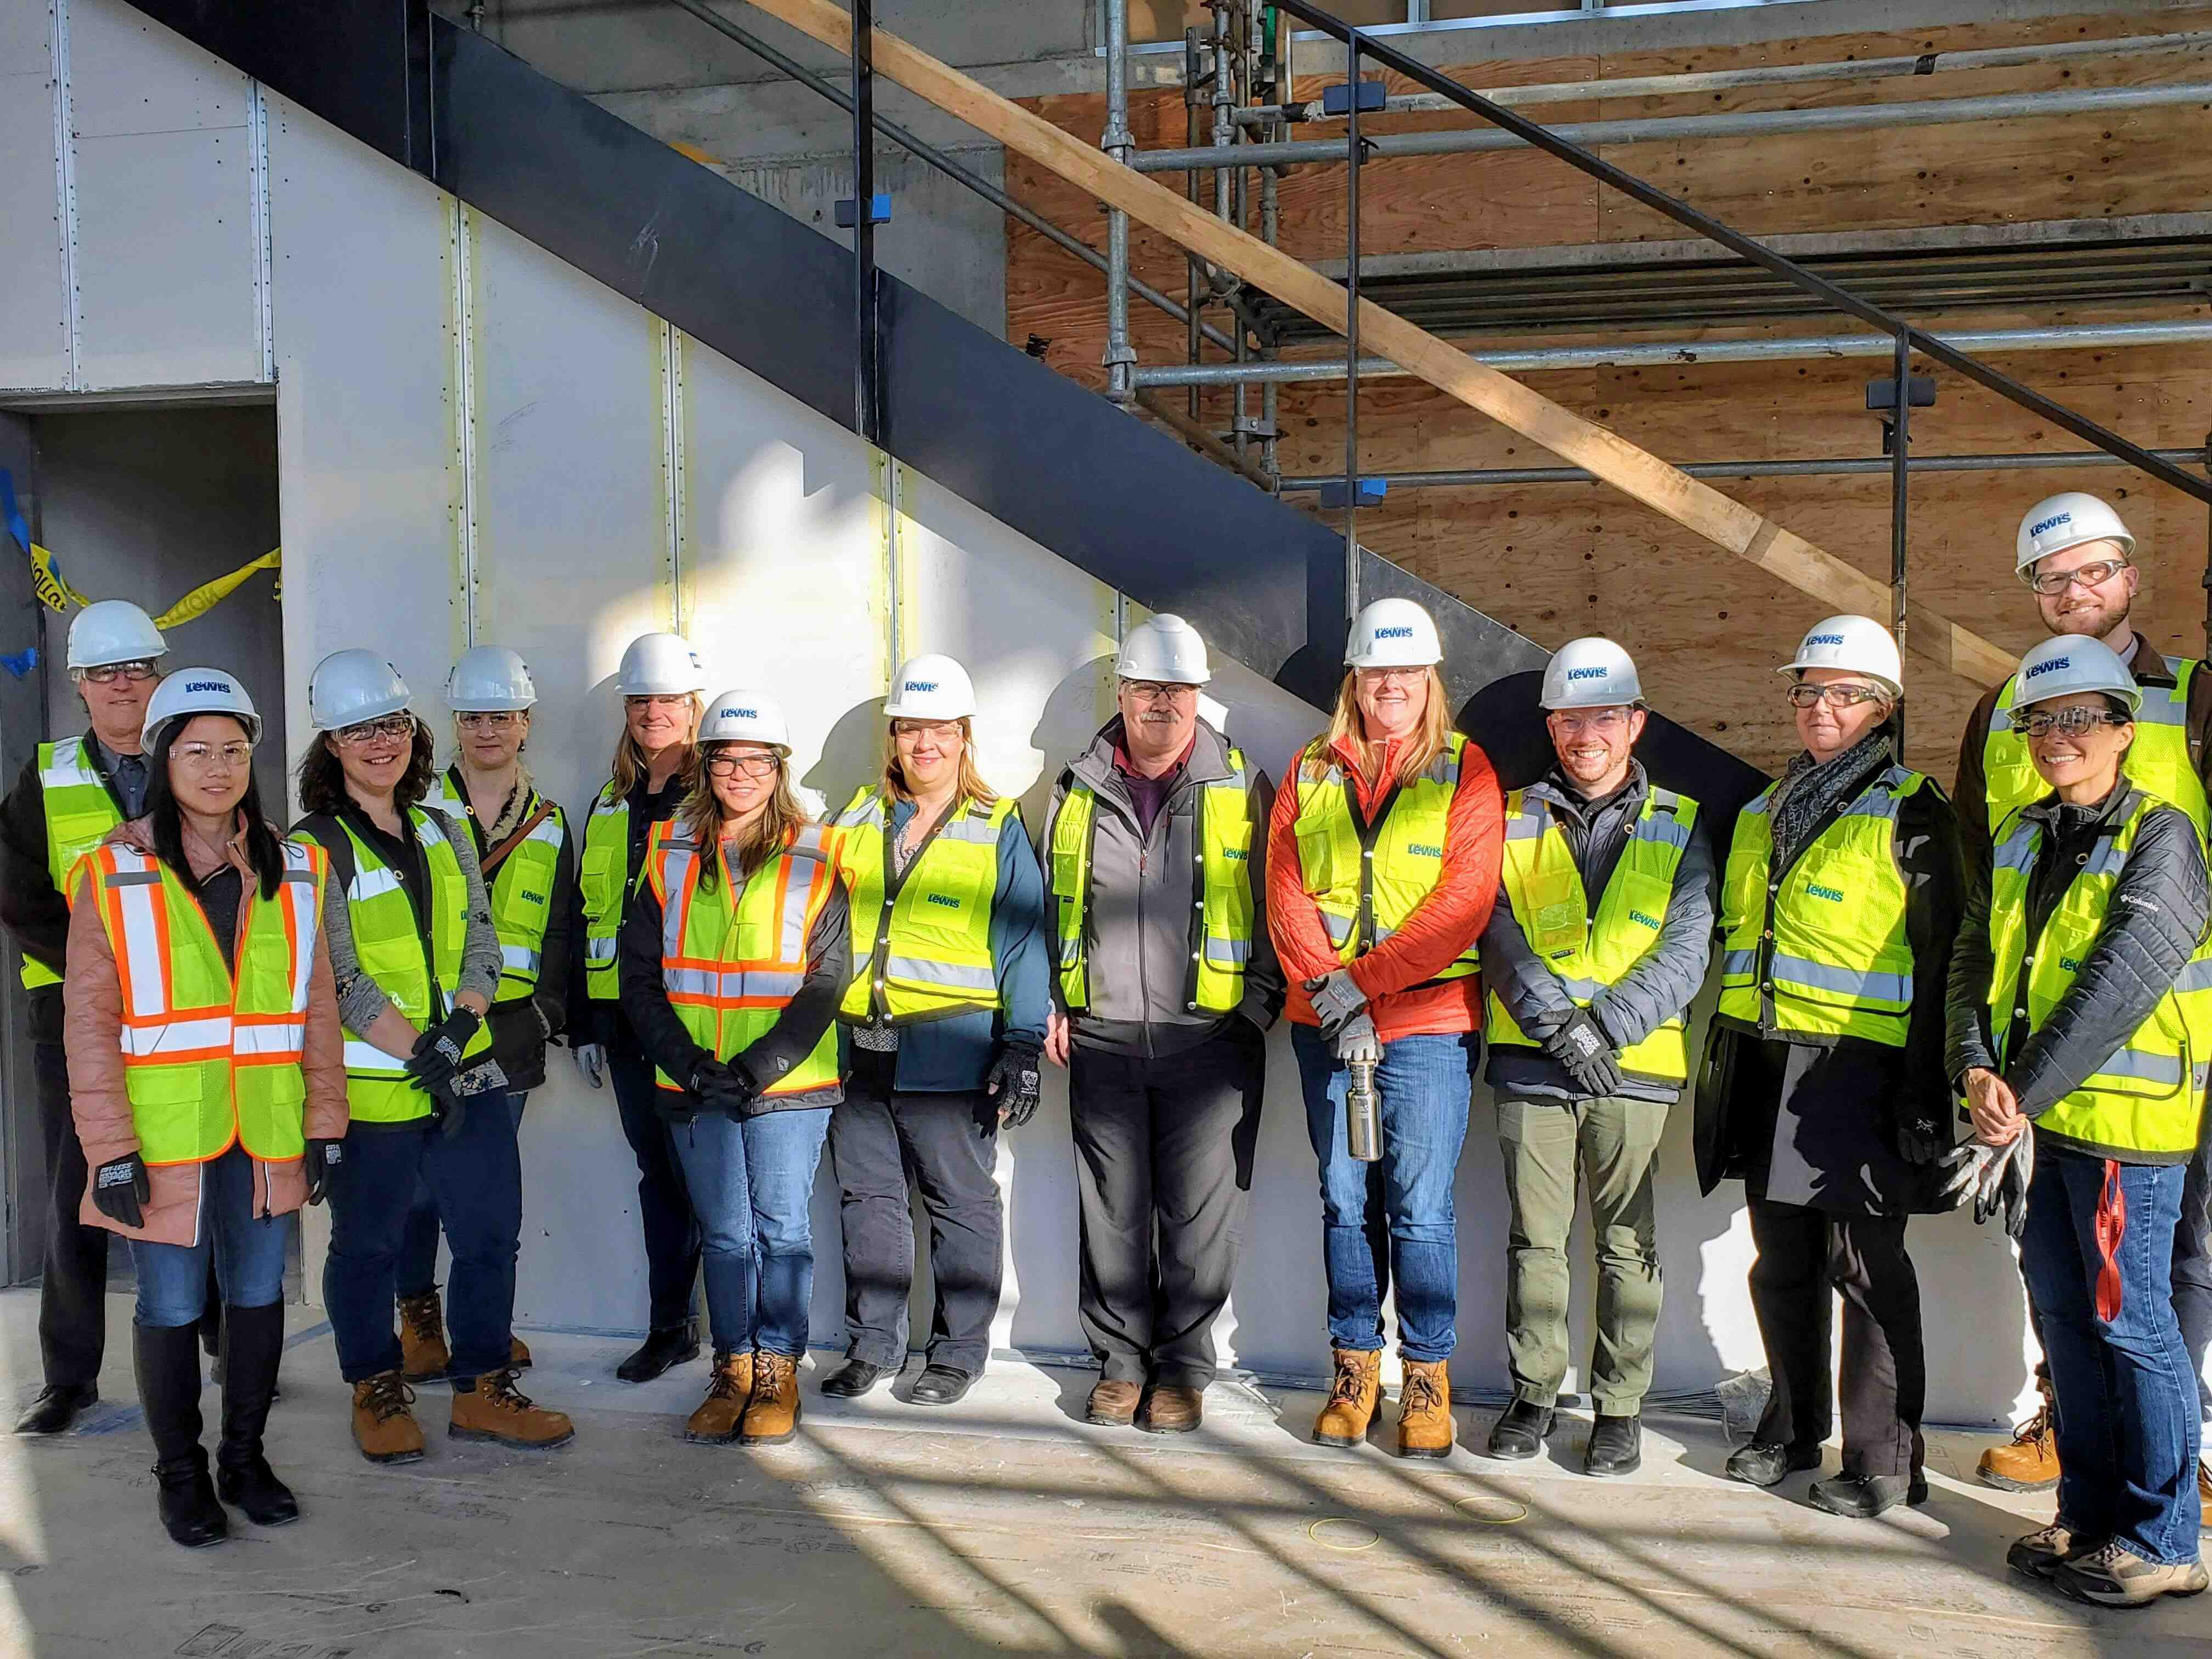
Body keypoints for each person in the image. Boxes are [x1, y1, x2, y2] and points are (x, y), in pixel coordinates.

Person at [1954, 494, 2212, 1505]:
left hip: (2175, 1035)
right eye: (2052, 580)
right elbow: (1988, 889)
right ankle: (2073, 1427)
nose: (2074, 593)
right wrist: (1984, 1055)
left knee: (2179, 1254)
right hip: (2042, 1058)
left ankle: (2172, 1463)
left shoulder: (2192, 697)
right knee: (2067, 1268)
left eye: (2093, 573)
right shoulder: (1998, 711)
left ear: (2132, 578)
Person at [62, 668, 344, 1545]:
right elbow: (90, 1023)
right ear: (161, 758)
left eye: (233, 751)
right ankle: (180, 1475)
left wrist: (325, 1122)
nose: (217, 768)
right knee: (172, 1307)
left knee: (258, 1296)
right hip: (163, 1134)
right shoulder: (112, 872)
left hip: (265, 1125)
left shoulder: (297, 866)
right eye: (196, 751)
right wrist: (109, 1147)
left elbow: (318, 1009)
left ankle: (245, 1460)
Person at [1699, 616, 1965, 1519]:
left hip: (1864, 1072)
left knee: (1865, 1264)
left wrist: (1927, 1083)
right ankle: (1792, 1423)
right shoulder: (1764, 810)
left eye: (1844, 693)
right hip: (1770, 1066)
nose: (1821, 708)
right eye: (1808, 691)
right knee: (1781, 1263)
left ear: (1883, 709)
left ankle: (1886, 1458)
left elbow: (1942, 958)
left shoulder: (1914, 807)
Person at [294, 650, 573, 1462]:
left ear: (412, 732)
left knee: (490, 1236)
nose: (380, 742)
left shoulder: (441, 826)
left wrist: (460, 1030)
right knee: (369, 1246)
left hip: (470, 1075)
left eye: (390, 724)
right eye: (359, 730)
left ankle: (484, 1388)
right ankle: (375, 1388)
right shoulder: (313, 846)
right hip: (380, 1095)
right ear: (333, 745)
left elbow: (482, 945)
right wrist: (424, 1053)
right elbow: (338, 977)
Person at [1268, 596, 1503, 1459]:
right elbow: (1285, 892)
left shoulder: (1467, 772)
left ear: (1430, 680)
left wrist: (1358, 985)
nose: (1391, 686)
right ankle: (1354, 1369)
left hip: (1429, 1024)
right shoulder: (1310, 770)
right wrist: (1332, 994)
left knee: (1421, 1208)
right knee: (1343, 1200)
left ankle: (1429, 1378)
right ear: (1356, 682)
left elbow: (1462, 905)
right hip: (1322, 1025)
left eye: (1406, 672)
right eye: (1377, 672)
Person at [1041, 618, 1283, 1433]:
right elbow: (1046, 904)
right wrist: (1055, 1001)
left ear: (1198, 698)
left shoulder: (1242, 784)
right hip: (1103, 1033)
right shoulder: (1076, 786)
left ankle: (1181, 1370)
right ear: (1123, 694)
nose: (1162, 706)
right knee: (1110, 1212)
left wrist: (1252, 1013)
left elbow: (1281, 904)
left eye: (1178, 692)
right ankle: (1118, 1365)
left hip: (1209, 1039)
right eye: (1148, 690)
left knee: (1197, 1217)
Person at [1479, 639, 1714, 1477]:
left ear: (1635, 723)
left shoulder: (1680, 823)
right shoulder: (1509, 816)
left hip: (1633, 1069)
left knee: (1626, 1245)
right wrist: (1562, 1027)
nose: (1587, 735)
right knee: (1534, 1244)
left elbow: (1688, 951)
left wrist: (1602, 1030)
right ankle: (1534, 1394)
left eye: (1604, 718)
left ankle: (1620, 1408)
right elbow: (1495, 930)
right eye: (1571, 719)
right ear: (1551, 725)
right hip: (1534, 1062)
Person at [619, 690, 850, 1446]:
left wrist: (757, 1068)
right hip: (697, 1084)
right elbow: (641, 978)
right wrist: (688, 1066)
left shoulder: (817, 853)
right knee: (724, 1233)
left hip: (786, 1083)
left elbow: (826, 981)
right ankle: (734, 1367)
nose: (741, 773)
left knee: (782, 1230)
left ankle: (779, 1367)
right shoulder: (670, 853)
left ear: (777, 768)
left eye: (757, 761)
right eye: (726, 759)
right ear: (707, 766)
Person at [819, 656, 1049, 1408]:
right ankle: (873, 1346)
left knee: (961, 1204)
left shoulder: (997, 824)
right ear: (894, 737)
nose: (925, 744)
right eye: (912, 728)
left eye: (940, 730)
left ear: (964, 737)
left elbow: (1022, 940)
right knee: (868, 1202)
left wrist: (1021, 1041)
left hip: (950, 1049)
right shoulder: (851, 819)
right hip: (856, 1047)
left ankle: (956, 1354)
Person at [4, 601, 174, 1435]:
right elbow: (14, 888)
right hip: (74, 1016)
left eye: (137, 670)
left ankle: (218, 1341)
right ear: (79, 686)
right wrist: (89, 967)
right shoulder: (49, 774)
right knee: (79, 1195)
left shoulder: (199, 758)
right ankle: (69, 1380)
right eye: (106, 673)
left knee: (192, 1176)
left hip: (183, 1013)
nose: (123, 687)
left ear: (158, 677)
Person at [389, 646, 579, 1381]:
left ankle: (479, 1329)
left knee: (483, 1202)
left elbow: (561, 928)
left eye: (501, 716)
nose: (487, 730)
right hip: (428, 1034)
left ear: (526, 723)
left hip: (509, 1038)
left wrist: (549, 1015)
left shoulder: (553, 821)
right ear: (456, 725)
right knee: (417, 1194)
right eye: (473, 717)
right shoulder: (415, 810)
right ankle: (420, 1325)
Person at [575, 632, 710, 1383]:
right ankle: (672, 1329)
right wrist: (591, 1021)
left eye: (667, 700)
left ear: (693, 706)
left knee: (708, 1183)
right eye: (640, 701)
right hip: (626, 1026)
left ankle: (740, 1337)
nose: (653, 713)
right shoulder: (607, 802)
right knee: (657, 1177)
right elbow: (591, 915)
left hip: (695, 1023)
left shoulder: (716, 796)